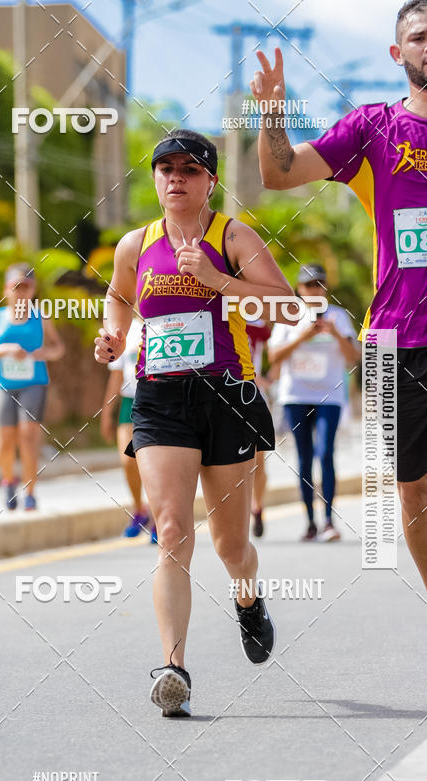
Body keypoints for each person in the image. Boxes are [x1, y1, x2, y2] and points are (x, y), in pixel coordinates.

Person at [251, 0, 427, 699]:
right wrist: (272, 111)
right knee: (415, 495)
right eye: (418, 37)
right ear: (396, 52)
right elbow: (280, 173)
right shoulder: (374, 128)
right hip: (394, 338)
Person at [94, 129, 297, 716]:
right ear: (155, 179)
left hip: (227, 396)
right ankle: (173, 668)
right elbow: (118, 298)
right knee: (174, 531)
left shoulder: (231, 236)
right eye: (166, 168)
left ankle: (248, 599)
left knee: (233, 545)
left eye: (190, 168)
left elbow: (285, 305)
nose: (176, 177)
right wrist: (111, 337)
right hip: (159, 397)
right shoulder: (136, 244)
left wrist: (218, 282)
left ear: (211, 180)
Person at [269, 264, 360, 542]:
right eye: (309, 285)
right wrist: (303, 336)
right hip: (296, 396)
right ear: (299, 289)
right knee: (305, 458)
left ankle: (329, 521)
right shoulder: (290, 317)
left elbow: (353, 357)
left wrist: (334, 334)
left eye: (319, 284)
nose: (314, 290)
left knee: (326, 453)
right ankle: (310, 522)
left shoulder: (338, 316)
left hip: (329, 397)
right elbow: (274, 356)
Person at [0, 263, 65, 511]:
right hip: (4, 385)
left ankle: (30, 491)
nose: (20, 291)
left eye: (25, 286)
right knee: (3, 443)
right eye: (15, 286)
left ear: (33, 289)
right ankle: (8, 481)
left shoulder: (41, 316)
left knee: (28, 437)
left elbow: (58, 348)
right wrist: (6, 349)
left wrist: (42, 353)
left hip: (34, 383)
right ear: (6, 289)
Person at [101, 316, 157, 541]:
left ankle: (156, 520)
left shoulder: (162, 322)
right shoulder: (125, 328)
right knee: (127, 460)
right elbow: (116, 374)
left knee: (152, 465)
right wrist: (106, 412)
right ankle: (139, 509)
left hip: (156, 400)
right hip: (129, 401)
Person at [245, 318, 274, 537]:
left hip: (253, 392)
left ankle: (257, 507)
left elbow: (274, 337)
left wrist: (270, 378)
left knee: (258, 459)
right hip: (222, 390)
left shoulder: (256, 319)